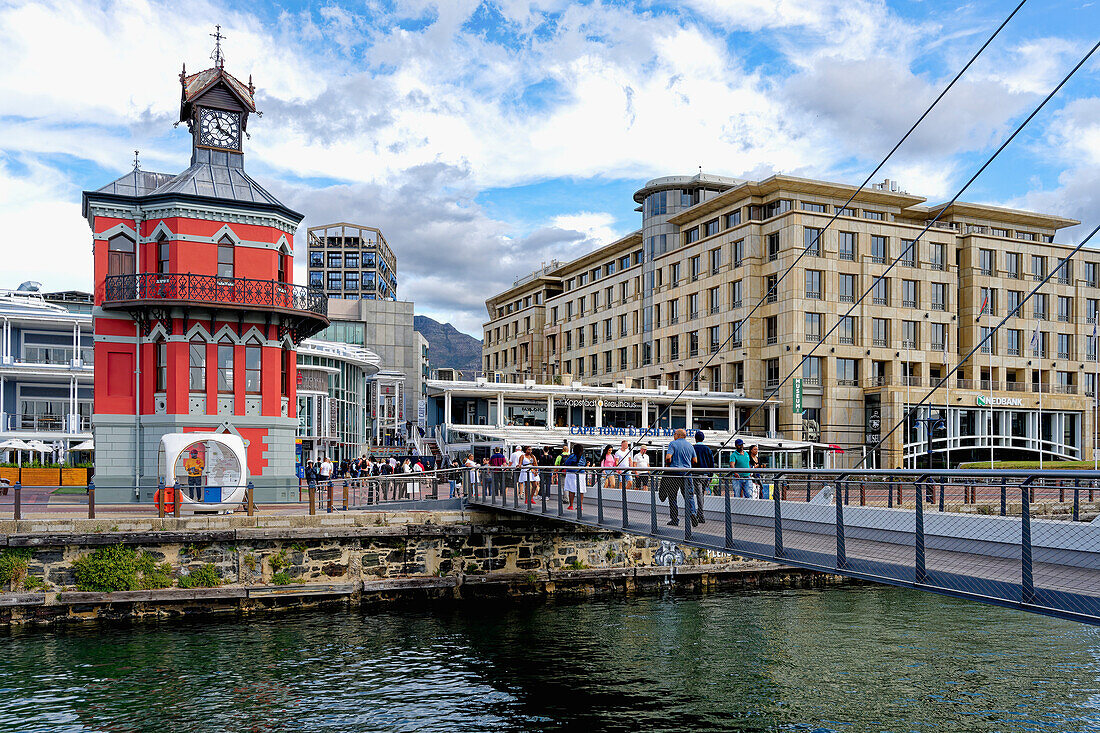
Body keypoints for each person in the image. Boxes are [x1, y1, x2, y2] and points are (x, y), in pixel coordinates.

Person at [664, 429, 698, 526]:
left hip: (674, 473)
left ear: (678, 435)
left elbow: (668, 457)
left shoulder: (673, 444)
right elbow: (695, 460)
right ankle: (692, 513)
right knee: (689, 495)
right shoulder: (690, 445)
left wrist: (668, 466)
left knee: (672, 496)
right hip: (687, 473)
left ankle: (674, 519)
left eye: (674, 434)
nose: (673, 436)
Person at [693, 431, 714, 524]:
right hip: (705, 475)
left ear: (695, 438)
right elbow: (711, 462)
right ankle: (700, 513)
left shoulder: (693, 448)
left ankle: (700, 515)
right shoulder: (707, 449)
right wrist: (711, 474)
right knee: (701, 494)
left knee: (698, 495)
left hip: (696, 474)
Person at [563, 443, 587, 511]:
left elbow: (567, 463)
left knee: (571, 490)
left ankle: (571, 505)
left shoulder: (572, 456)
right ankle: (580, 506)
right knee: (581, 490)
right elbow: (584, 464)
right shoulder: (582, 457)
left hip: (571, 474)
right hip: (581, 474)